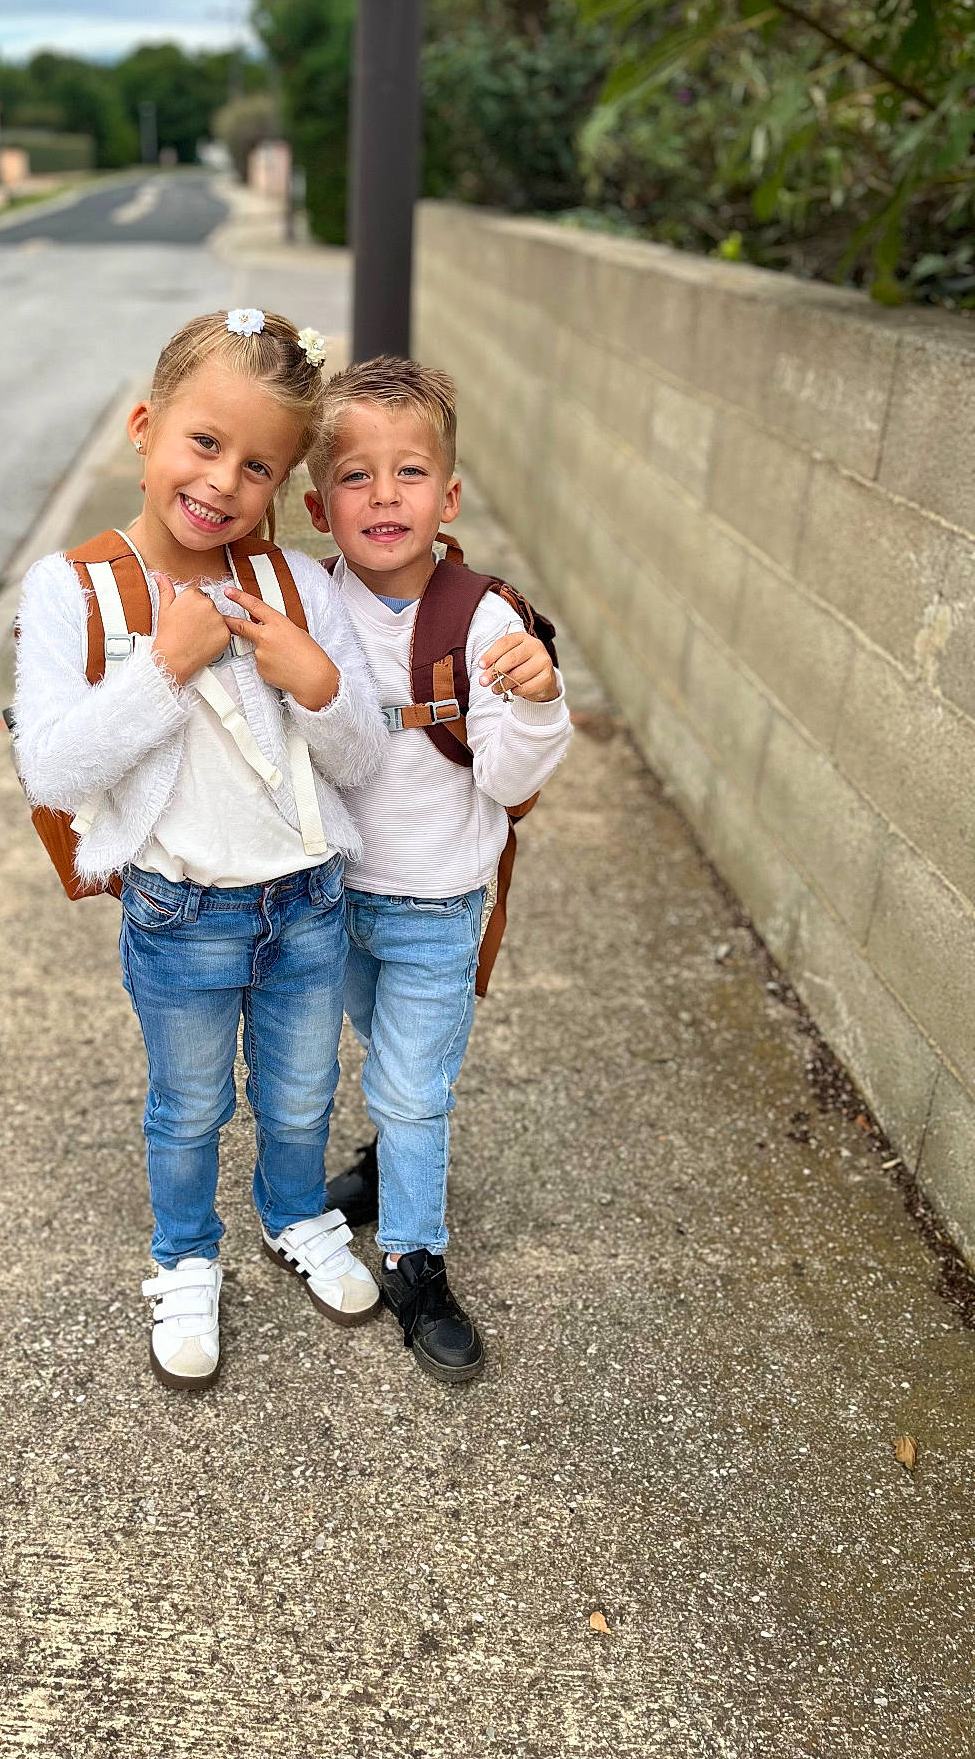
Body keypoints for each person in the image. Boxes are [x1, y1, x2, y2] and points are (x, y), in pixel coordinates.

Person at [13, 310, 386, 1392]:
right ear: (145, 425)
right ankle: (184, 1255)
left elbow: (357, 755)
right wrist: (161, 669)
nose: (224, 483)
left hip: (308, 903)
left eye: (258, 465)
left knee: (305, 1089)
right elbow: (53, 771)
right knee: (188, 1105)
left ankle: (293, 1214)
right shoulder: (73, 590)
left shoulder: (298, 588)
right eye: (205, 444)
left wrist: (317, 685)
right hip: (180, 913)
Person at [305, 356, 572, 1382]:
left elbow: (507, 781)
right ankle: (384, 1158)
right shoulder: (307, 603)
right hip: (331, 901)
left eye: (409, 472)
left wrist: (539, 700)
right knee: (378, 1052)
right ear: (322, 507)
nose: (384, 495)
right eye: (357, 476)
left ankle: (415, 1258)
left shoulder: (484, 620)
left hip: (434, 905)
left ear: (448, 495)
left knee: (415, 1091)